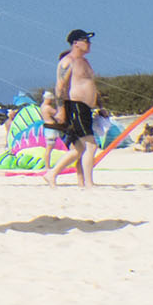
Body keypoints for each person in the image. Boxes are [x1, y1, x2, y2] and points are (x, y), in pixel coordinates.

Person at [45, 29, 100, 188]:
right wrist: (61, 109)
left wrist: (99, 106)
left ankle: (52, 173)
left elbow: (90, 84)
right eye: (86, 40)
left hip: (86, 107)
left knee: (78, 148)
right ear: (76, 42)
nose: (89, 44)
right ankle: (89, 183)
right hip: (75, 106)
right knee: (91, 145)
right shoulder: (67, 61)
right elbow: (60, 87)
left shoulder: (85, 62)